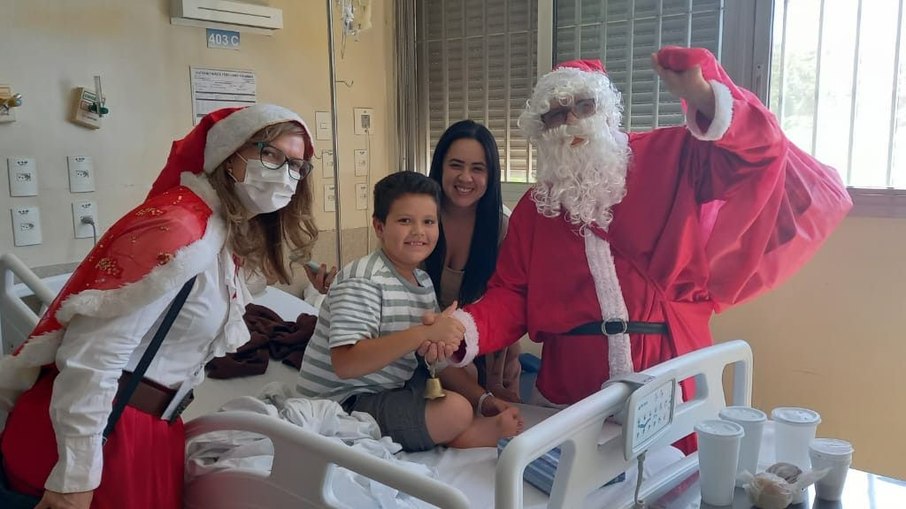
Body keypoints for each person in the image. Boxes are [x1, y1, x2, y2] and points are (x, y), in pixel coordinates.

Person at [436, 47, 852, 450]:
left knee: (678, 492)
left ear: (605, 111)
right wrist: (464, 329)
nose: (570, 123)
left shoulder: (667, 156)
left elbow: (757, 155)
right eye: (556, 115)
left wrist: (705, 97)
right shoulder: (535, 208)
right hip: (572, 393)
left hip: (672, 373)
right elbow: (513, 296)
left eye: (582, 106)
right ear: (542, 130)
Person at [0, 104, 319, 509]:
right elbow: (94, 357)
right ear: (229, 154)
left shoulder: (216, 234)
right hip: (99, 436)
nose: (284, 173)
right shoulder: (178, 230)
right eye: (270, 154)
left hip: (150, 432)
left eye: (296, 164)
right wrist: (74, 477)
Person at [296, 171, 522, 452]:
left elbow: (433, 361)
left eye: (428, 222)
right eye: (405, 221)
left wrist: (483, 399)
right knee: (455, 410)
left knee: (466, 374)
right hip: (344, 402)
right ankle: (465, 433)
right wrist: (423, 333)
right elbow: (346, 364)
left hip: (390, 387)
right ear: (379, 227)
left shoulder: (422, 282)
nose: (419, 231)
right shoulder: (363, 278)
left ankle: (460, 423)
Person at [423, 120, 522, 416]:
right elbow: (387, 277)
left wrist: (494, 386)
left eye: (478, 168)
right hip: (421, 348)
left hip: (486, 358)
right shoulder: (420, 218)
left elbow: (508, 303)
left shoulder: (500, 228)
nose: (465, 177)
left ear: (491, 176)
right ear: (440, 166)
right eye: (456, 165)